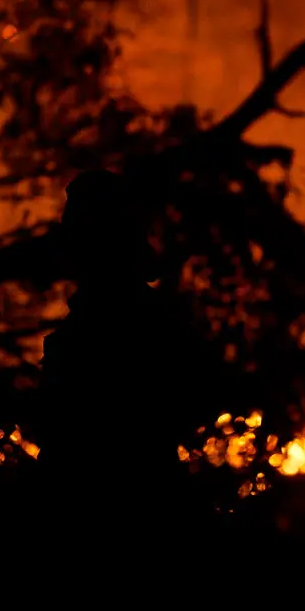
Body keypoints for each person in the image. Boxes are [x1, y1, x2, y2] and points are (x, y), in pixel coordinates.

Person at [35, 169, 209, 558]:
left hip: (119, 508)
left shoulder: (126, 322)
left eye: (78, 225)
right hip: (125, 502)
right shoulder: (147, 318)